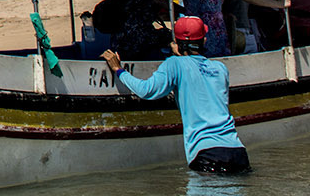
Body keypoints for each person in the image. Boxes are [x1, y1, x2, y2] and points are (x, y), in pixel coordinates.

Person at [102, 16, 251, 174]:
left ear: (177, 43)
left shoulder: (174, 64)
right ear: (204, 41)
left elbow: (146, 90)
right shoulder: (221, 69)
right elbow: (198, 74)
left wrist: (119, 70)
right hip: (238, 152)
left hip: (207, 153)